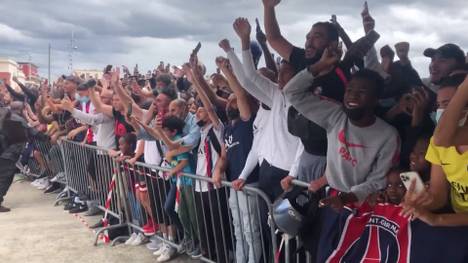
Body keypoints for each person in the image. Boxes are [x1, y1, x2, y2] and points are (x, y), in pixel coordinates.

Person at [284, 48, 400, 211]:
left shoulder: (388, 136)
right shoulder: (335, 115)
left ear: (375, 99)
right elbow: (291, 92)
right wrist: (321, 64)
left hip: (364, 204)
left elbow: (378, 180)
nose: (352, 96)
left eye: (362, 92)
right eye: (349, 90)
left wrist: (347, 198)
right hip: (332, 196)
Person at [212, 57, 261, 263]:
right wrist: (217, 171)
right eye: (229, 101)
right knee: (238, 230)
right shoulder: (228, 129)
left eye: (233, 101)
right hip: (234, 184)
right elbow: (223, 156)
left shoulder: (246, 121)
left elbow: (240, 93)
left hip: (250, 184)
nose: (230, 103)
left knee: (251, 231)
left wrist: (225, 70)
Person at [401, 74, 468, 220]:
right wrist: (421, 202)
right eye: (439, 105)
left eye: (448, 104)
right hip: (456, 218)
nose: (441, 111)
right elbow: (439, 196)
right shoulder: (437, 144)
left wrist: (438, 220)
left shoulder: (439, 140)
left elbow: (442, 138)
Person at [0, 106, 48, 212]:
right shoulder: (17, 119)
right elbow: (32, 131)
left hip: (6, 152)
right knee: (5, 178)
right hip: (8, 153)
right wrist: (47, 138)